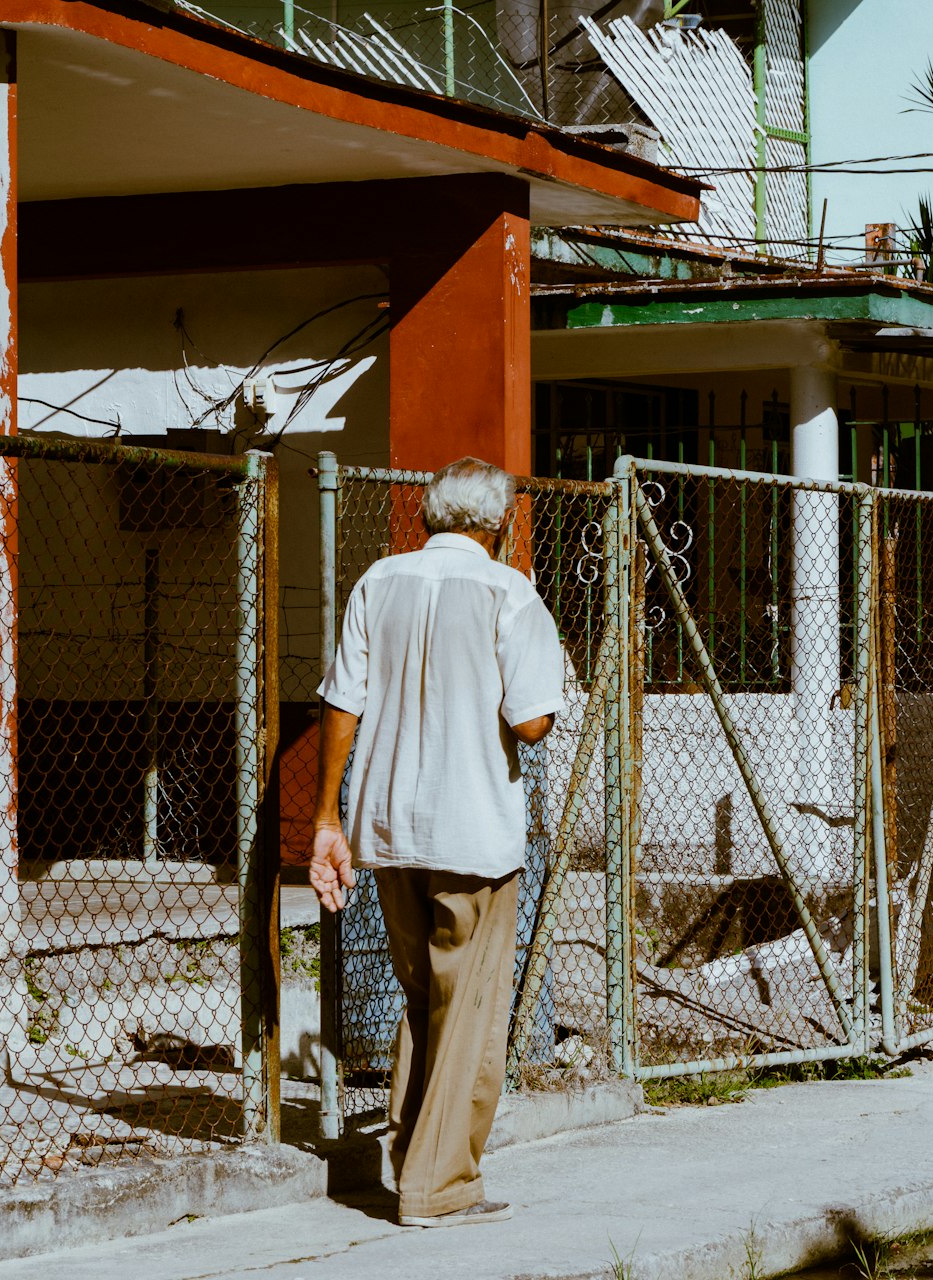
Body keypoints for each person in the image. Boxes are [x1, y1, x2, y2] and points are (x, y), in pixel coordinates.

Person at [310, 456, 564, 1229]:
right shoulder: (509, 594)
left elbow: (341, 703)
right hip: (473, 828)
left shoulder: (377, 582)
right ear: (499, 522)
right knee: (472, 1009)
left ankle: (410, 1159)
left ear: (428, 516)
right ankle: (440, 1187)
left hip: (386, 826)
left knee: (423, 1002)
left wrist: (328, 820)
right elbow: (531, 722)